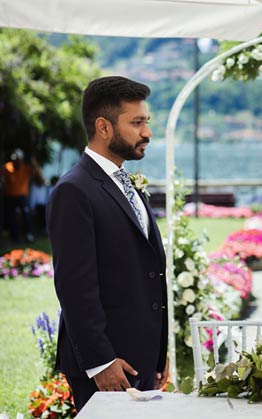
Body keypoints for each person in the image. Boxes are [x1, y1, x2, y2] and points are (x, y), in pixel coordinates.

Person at [46, 76, 168, 411]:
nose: (147, 133)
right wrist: (101, 362)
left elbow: (147, 270)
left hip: (141, 363)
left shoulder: (126, 183)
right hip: (107, 368)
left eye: (147, 122)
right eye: (137, 123)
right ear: (104, 127)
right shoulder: (74, 190)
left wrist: (160, 351)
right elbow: (74, 286)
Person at [2, 148, 42, 242]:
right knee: (11, 218)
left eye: (18, 160)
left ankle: (29, 235)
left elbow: (39, 178)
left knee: (26, 216)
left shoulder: (26, 168)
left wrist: (34, 162)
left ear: (22, 159)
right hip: (9, 198)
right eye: (15, 160)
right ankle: (15, 237)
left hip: (22, 198)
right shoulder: (8, 167)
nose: (16, 162)